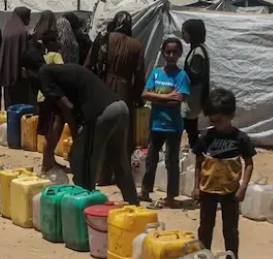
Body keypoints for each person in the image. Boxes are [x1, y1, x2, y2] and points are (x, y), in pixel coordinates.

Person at [24, 51, 139, 205]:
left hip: (100, 113)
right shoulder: (60, 71)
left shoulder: (43, 74)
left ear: (25, 70)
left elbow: (67, 106)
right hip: (120, 108)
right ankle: (133, 204)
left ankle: (85, 205)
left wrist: (77, 137)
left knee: (81, 162)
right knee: (119, 162)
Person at [192, 89, 254, 256]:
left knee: (230, 229)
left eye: (219, 120)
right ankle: (203, 258)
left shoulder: (240, 139)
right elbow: (198, 162)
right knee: (205, 227)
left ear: (231, 115)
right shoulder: (206, 137)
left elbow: (249, 164)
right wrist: (196, 187)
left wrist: (243, 188)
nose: (215, 124)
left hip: (230, 192)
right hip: (207, 190)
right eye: (212, 120)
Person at [87, 11, 145, 184]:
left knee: (102, 130)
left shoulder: (104, 39)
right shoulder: (136, 46)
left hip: (102, 88)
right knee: (123, 134)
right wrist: (137, 97)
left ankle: (101, 175)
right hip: (125, 91)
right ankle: (121, 175)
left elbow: (89, 65)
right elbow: (139, 76)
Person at [139, 37, 190, 208]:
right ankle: (145, 190)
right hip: (156, 124)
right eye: (168, 52)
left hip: (173, 127)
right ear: (163, 53)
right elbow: (144, 94)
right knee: (151, 159)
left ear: (180, 54)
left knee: (171, 162)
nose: (171, 55)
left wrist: (156, 98)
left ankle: (171, 196)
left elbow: (176, 101)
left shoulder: (182, 76)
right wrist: (167, 96)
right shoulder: (156, 73)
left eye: (175, 52)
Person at [181, 19, 209, 149]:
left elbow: (195, 75)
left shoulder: (198, 52)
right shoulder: (197, 49)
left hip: (194, 95)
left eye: (185, 32)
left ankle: (195, 148)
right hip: (193, 94)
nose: (183, 35)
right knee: (191, 124)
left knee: (189, 124)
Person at [0, 7, 31, 107]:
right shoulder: (21, 31)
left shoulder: (8, 27)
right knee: (20, 103)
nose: (29, 20)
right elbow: (24, 53)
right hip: (18, 74)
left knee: (9, 101)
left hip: (7, 71)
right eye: (28, 17)